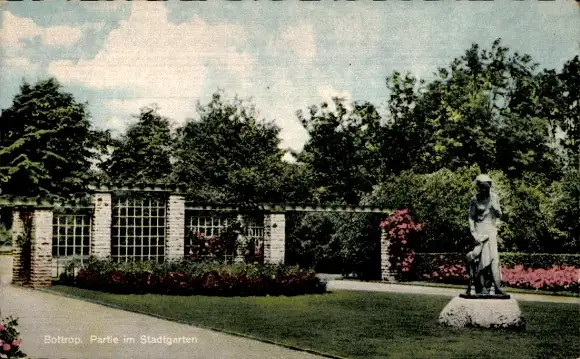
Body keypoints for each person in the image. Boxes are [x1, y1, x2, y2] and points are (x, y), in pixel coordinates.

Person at [466, 174, 504, 295]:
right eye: (482, 187)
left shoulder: (494, 197)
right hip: (480, 231)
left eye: (486, 187)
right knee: (480, 259)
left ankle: (497, 287)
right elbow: (471, 218)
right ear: (478, 187)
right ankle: (481, 287)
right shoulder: (475, 199)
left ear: (489, 187)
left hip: (491, 230)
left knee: (494, 259)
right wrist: (474, 234)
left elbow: (499, 215)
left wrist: (495, 208)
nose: (484, 190)